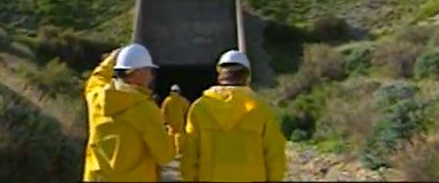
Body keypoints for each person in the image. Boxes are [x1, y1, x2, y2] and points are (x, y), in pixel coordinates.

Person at [181, 50, 287, 182]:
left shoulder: (200, 108)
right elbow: (275, 155)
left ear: (220, 75)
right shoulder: (260, 109)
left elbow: (189, 155)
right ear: (247, 76)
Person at [82, 43, 176, 182]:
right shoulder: (145, 110)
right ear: (137, 72)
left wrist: (110, 61)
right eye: (149, 71)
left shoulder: (97, 97)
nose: (151, 77)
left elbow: (96, 79)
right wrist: (171, 132)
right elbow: (165, 155)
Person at [160, 84, 190, 155]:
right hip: (180, 120)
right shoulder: (182, 100)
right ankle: (179, 150)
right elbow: (188, 109)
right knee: (179, 135)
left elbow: (163, 110)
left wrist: (163, 120)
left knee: (170, 135)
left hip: (170, 121)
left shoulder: (167, 100)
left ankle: (170, 150)